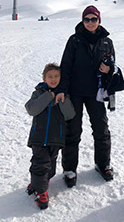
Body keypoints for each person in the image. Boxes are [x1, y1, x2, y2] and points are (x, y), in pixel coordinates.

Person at [56, 5, 118, 187]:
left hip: (96, 93)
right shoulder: (74, 40)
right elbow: (65, 66)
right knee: (72, 131)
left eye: (94, 19)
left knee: (101, 129)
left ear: (99, 21)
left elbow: (113, 64)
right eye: (87, 19)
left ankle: (103, 163)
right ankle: (69, 169)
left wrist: (109, 69)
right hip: (75, 93)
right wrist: (61, 89)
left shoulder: (107, 42)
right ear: (82, 21)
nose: (90, 23)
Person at [25, 63, 75, 209]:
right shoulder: (39, 93)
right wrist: (48, 96)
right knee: (41, 163)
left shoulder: (63, 94)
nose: (53, 79)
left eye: (56, 76)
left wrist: (62, 99)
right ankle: (41, 192)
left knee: (50, 167)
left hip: (55, 139)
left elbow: (70, 115)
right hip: (39, 137)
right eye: (50, 77)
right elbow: (31, 109)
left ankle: (37, 183)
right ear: (44, 78)